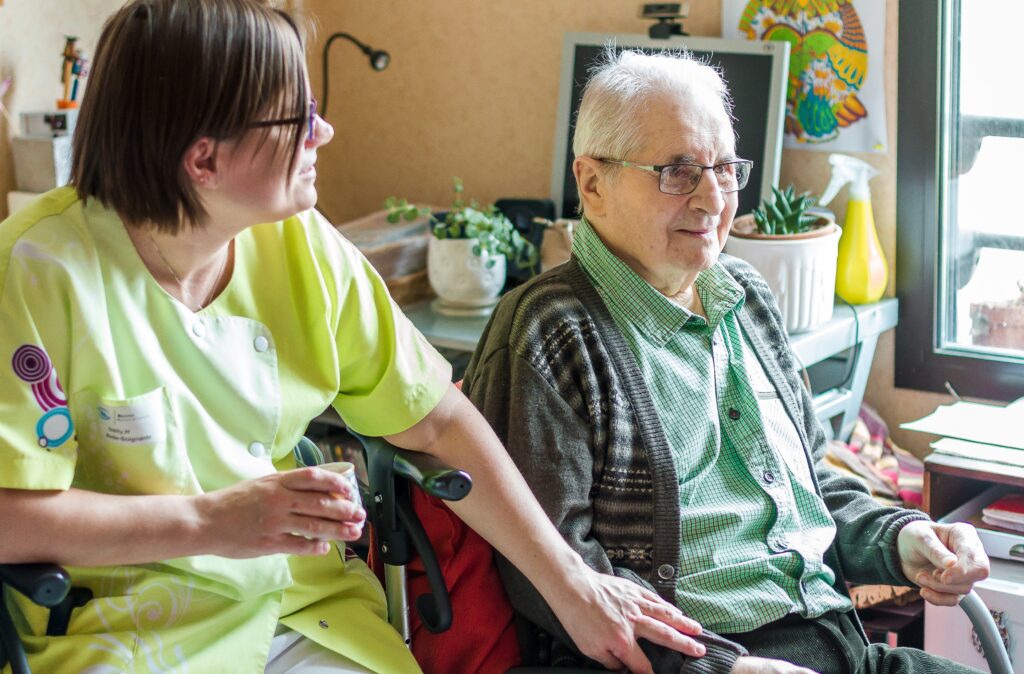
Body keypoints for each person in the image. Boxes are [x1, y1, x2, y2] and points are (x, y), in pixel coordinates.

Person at [0, 6, 705, 673]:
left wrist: (571, 581)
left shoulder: (300, 244)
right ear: (204, 161)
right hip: (128, 632)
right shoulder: (35, 272)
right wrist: (211, 521)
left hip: (300, 609)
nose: (325, 133)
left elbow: (436, 419)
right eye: (299, 119)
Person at [462, 47, 991, 674]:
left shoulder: (747, 295)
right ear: (593, 183)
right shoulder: (550, 332)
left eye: (725, 168)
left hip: (839, 649)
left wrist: (906, 539)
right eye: (678, 171)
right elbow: (552, 575)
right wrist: (720, 667)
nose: (714, 199)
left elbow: (810, 493)